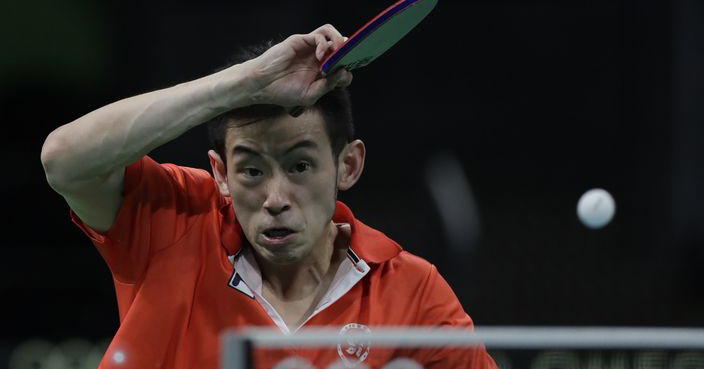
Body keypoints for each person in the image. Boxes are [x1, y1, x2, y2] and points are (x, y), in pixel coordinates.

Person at [41, 24, 497, 369]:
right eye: (252, 170)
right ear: (220, 172)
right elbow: (65, 160)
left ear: (348, 165)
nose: (275, 198)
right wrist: (246, 82)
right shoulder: (175, 221)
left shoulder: (411, 293)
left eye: (300, 166)